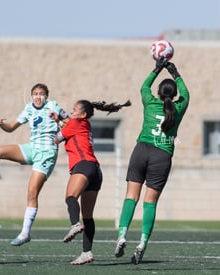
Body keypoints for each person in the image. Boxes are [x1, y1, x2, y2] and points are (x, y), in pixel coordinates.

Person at [0, 83, 69, 246]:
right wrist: (2, 125)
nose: (38, 96)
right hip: (32, 148)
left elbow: (70, 125)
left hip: (47, 153)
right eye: (35, 93)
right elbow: (11, 127)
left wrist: (59, 120)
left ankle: (25, 233)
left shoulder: (53, 106)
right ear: (31, 96)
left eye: (41, 94)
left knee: (32, 192)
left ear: (46, 96)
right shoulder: (28, 109)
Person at [114, 58, 190, 265]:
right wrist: (175, 72)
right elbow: (187, 94)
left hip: (142, 150)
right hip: (162, 156)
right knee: (150, 202)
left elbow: (143, 86)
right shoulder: (178, 108)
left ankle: (122, 235)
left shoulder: (149, 101)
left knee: (131, 196)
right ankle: (142, 242)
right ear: (174, 95)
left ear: (158, 92)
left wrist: (157, 68)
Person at [53, 99, 130, 265]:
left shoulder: (75, 123)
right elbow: (68, 125)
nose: (71, 112)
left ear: (83, 114)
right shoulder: (84, 124)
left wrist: (55, 125)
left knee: (70, 197)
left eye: (74, 110)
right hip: (95, 170)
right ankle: (86, 252)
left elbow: (57, 139)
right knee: (88, 215)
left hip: (83, 165)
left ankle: (74, 224)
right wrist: (59, 120)